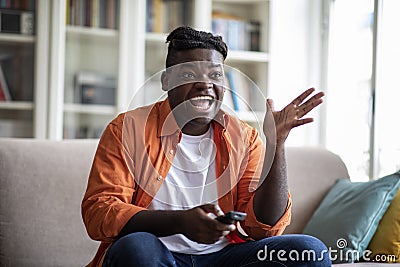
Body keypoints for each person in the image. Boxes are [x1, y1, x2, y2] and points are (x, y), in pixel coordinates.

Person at [81, 26, 330, 267]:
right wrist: (180, 222)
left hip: (224, 256)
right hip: (156, 255)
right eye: (189, 75)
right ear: (166, 81)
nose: (205, 84)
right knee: (136, 248)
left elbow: (264, 226)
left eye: (215, 75)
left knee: (310, 252)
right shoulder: (128, 128)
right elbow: (101, 212)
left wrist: (276, 144)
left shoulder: (244, 138)